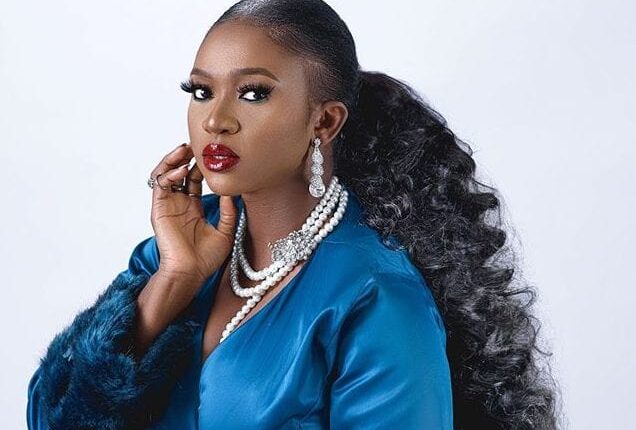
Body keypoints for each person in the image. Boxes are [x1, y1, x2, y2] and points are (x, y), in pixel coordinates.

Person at [26, 0, 560, 429]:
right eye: (201, 91)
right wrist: (172, 283)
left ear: (324, 122)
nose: (215, 120)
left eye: (253, 93)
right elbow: (51, 419)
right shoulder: (171, 255)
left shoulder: (373, 295)